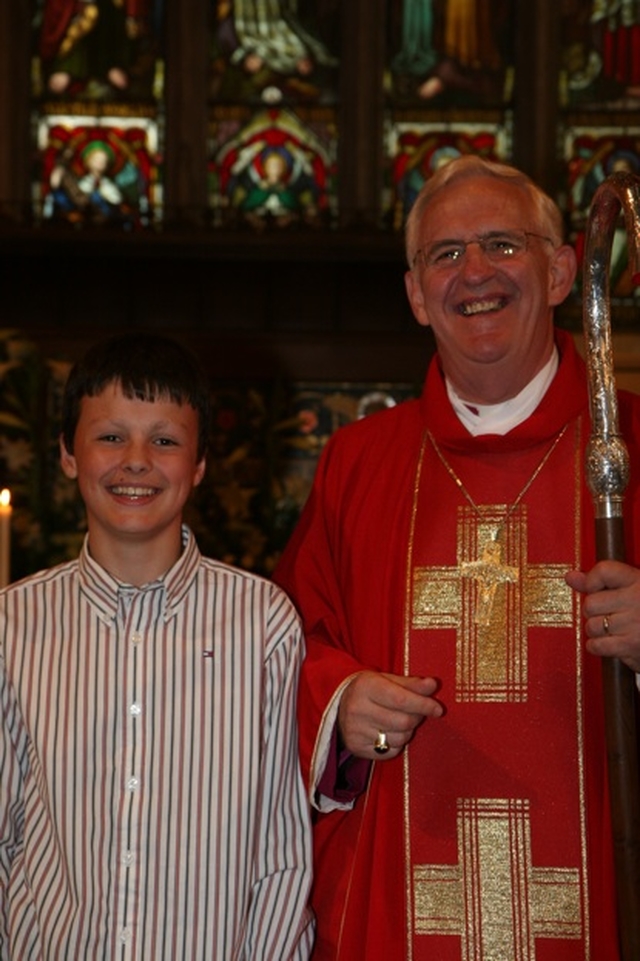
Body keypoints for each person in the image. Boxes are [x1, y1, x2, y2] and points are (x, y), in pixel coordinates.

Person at [273, 155, 640, 959]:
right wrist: (341, 702)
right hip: (404, 896)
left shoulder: (630, 447)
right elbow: (281, 650)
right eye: (445, 254)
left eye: (503, 244)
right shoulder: (357, 463)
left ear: (560, 270)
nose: (474, 272)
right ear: (415, 294)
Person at [0, 332, 314, 959]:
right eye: (110, 436)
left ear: (198, 465)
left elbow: (282, 855)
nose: (137, 460)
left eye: (165, 440)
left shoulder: (262, 625)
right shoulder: (13, 625)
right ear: (68, 454)